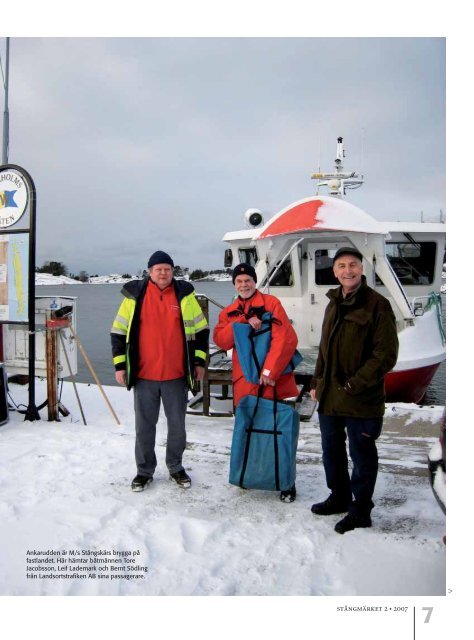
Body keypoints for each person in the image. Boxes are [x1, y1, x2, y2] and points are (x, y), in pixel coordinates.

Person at [309, 247, 398, 533]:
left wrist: (354, 384)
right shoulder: (332, 303)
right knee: (331, 451)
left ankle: (361, 510)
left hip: (361, 397)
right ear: (334, 271)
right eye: (342, 266)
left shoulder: (378, 305)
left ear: (362, 269)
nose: (348, 270)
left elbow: (385, 355)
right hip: (330, 397)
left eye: (353, 265)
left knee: (362, 454)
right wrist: (316, 382)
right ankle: (339, 496)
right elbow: (324, 349)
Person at [111, 250, 209, 492]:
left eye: (167, 268)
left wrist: (199, 363)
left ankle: (176, 467)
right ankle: (144, 471)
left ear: (172, 271)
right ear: (150, 272)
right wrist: (120, 365)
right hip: (144, 376)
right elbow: (118, 332)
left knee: (177, 427)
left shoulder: (185, 296)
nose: (163, 273)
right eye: (158, 269)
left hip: (176, 376)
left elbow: (202, 332)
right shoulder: (135, 296)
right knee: (144, 427)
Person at [213, 262, 299, 502]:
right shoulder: (229, 312)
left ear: (255, 281)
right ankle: (250, 474)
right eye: (239, 281)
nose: (244, 285)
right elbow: (221, 340)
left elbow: (285, 339)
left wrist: (270, 371)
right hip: (245, 382)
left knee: (278, 432)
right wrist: (238, 323)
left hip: (272, 382)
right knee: (249, 430)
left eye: (248, 280)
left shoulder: (272, 304)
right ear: (234, 285)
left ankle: (285, 482)